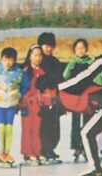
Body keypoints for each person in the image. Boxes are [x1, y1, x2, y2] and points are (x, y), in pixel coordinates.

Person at [58, 40, 102, 176]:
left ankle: (95, 168)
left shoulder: (66, 86)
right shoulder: (59, 96)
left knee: (86, 132)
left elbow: (89, 72)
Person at [19, 45, 52, 167]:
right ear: (30, 56)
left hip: (39, 104)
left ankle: (38, 151)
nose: (38, 58)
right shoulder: (25, 71)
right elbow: (22, 89)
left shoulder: (42, 71)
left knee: (39, 129)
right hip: (28, 103)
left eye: (40, 55)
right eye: (35, 55)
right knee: (28, 128)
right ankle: (28, 152)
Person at [62, 38, 93, 162]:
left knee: (87, 121)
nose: (81, 50)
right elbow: (65, 76)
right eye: (78, 48)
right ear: (74, 50)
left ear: (86, 49)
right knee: (75, 122)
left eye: (83, 48)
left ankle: (86, 147)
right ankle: (76, 147)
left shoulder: (90, 62)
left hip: (87, 95)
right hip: (75, 96)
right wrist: (70, 66)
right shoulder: (73, 62)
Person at [37, 31, 64, 162]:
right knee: (43, 125)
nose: (48, 49)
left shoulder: (55, 62)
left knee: (55, 125)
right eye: (45, 46)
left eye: (51, 46)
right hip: (42, 100)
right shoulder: (38, 61)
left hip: (54, 98)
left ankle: (51, 148)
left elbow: (60, 79)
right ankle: (43, 149)